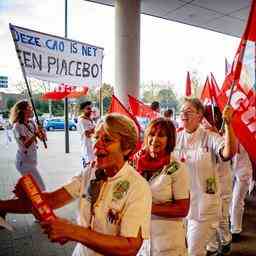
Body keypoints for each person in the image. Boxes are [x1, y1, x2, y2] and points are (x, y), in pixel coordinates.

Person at [0, 113, 152, 256]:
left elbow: (130, 247)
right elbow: (51, 201)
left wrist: (73, 232)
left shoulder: (138, 187)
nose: (96, 146)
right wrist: (6, 205)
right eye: (96, 138)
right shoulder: (90, 172)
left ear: (127, 148)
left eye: (107, 140)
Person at [173, 98, 237, 256]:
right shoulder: (176, 138)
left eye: (189, 112)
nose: (184, 116)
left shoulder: (210, 137)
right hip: (181, 207)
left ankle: (223, 241)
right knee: (184, 249)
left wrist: (228, 124)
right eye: (182, 112)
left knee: (193, 252)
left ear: (200, 115)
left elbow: (229, 153)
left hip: (203, 209)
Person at [134, 118, 190, 255]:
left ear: (169, 140)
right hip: (140, 241)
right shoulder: (136, 163)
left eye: (161, 135)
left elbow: (183, 209)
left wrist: (147, 207)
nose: (154, 139)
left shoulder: (177, 168)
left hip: (167, 243)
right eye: (151, 134)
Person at [203, 106, 233, 255]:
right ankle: (212, 247)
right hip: (209, 184)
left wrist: (222, 136)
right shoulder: (202, 134)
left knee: (221, 215)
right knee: (210, 216)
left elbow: (228, 153)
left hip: (223, 181)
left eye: (205, 117)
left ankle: (226, 240)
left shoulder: (224, 136)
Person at [9, 100, 46, 190]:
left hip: (32, 161)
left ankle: (19, 199)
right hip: (24, 163)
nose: (32, 109)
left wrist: (42, 131)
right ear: (23, 111)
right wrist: (36, 134)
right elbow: (26, 144)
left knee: (32, 189)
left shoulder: (31, 123)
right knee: (40, 188)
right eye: (29, 107)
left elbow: (42, 138)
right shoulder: (17, 126)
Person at [230, 143, 252, 242]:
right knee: (229, 201)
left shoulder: (247, 136)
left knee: (237, 200)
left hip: (244, 170)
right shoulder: (226, 132)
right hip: (229, 170)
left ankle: (236, 230)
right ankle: (230, 224)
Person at [77, 101, 95, 168]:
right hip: (87, 148)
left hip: (92, 148)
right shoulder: (82, 120)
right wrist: (97, 128)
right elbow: (87, 133)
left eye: (90, 108)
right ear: (83, 110)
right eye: (88, 109)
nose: (90, 110)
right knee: (88, 169)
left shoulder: (90, 119)